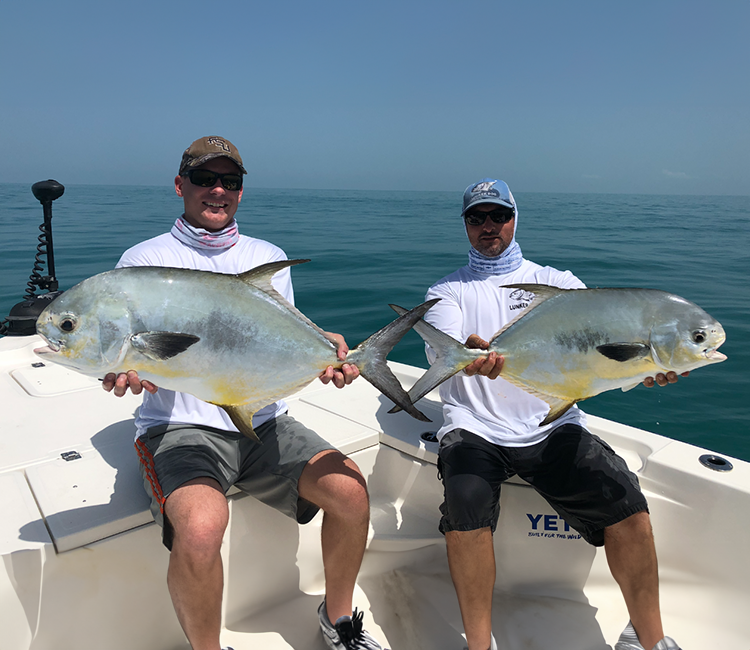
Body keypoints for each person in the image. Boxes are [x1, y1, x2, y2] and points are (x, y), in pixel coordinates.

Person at [103, 136, 384, 650]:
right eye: (205, 179)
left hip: (262, 418)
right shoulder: (144, 261)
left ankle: (338, 620)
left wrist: (326, 357)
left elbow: (278, 341)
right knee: (203, 527)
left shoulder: (266, 257)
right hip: (180, 426)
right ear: (180, 185)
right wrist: (129, 369)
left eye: (229, 181)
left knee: (351, 491)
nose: (217, 190)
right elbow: (136, 351)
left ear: (240, 191)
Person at [422, 178, 685, 650]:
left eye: (498, 215)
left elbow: (600, 353)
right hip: (474, 427)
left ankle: (651, 640)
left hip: (553, 422)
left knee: (629, 507)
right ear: (464, 225)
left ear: (515, 218)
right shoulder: (448, 291)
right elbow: (449, 350)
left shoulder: (561, 285)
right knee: (465, 503)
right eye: (476, 217)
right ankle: (477, 646)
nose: (489, 226)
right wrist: (471, 354)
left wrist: (646, 369)